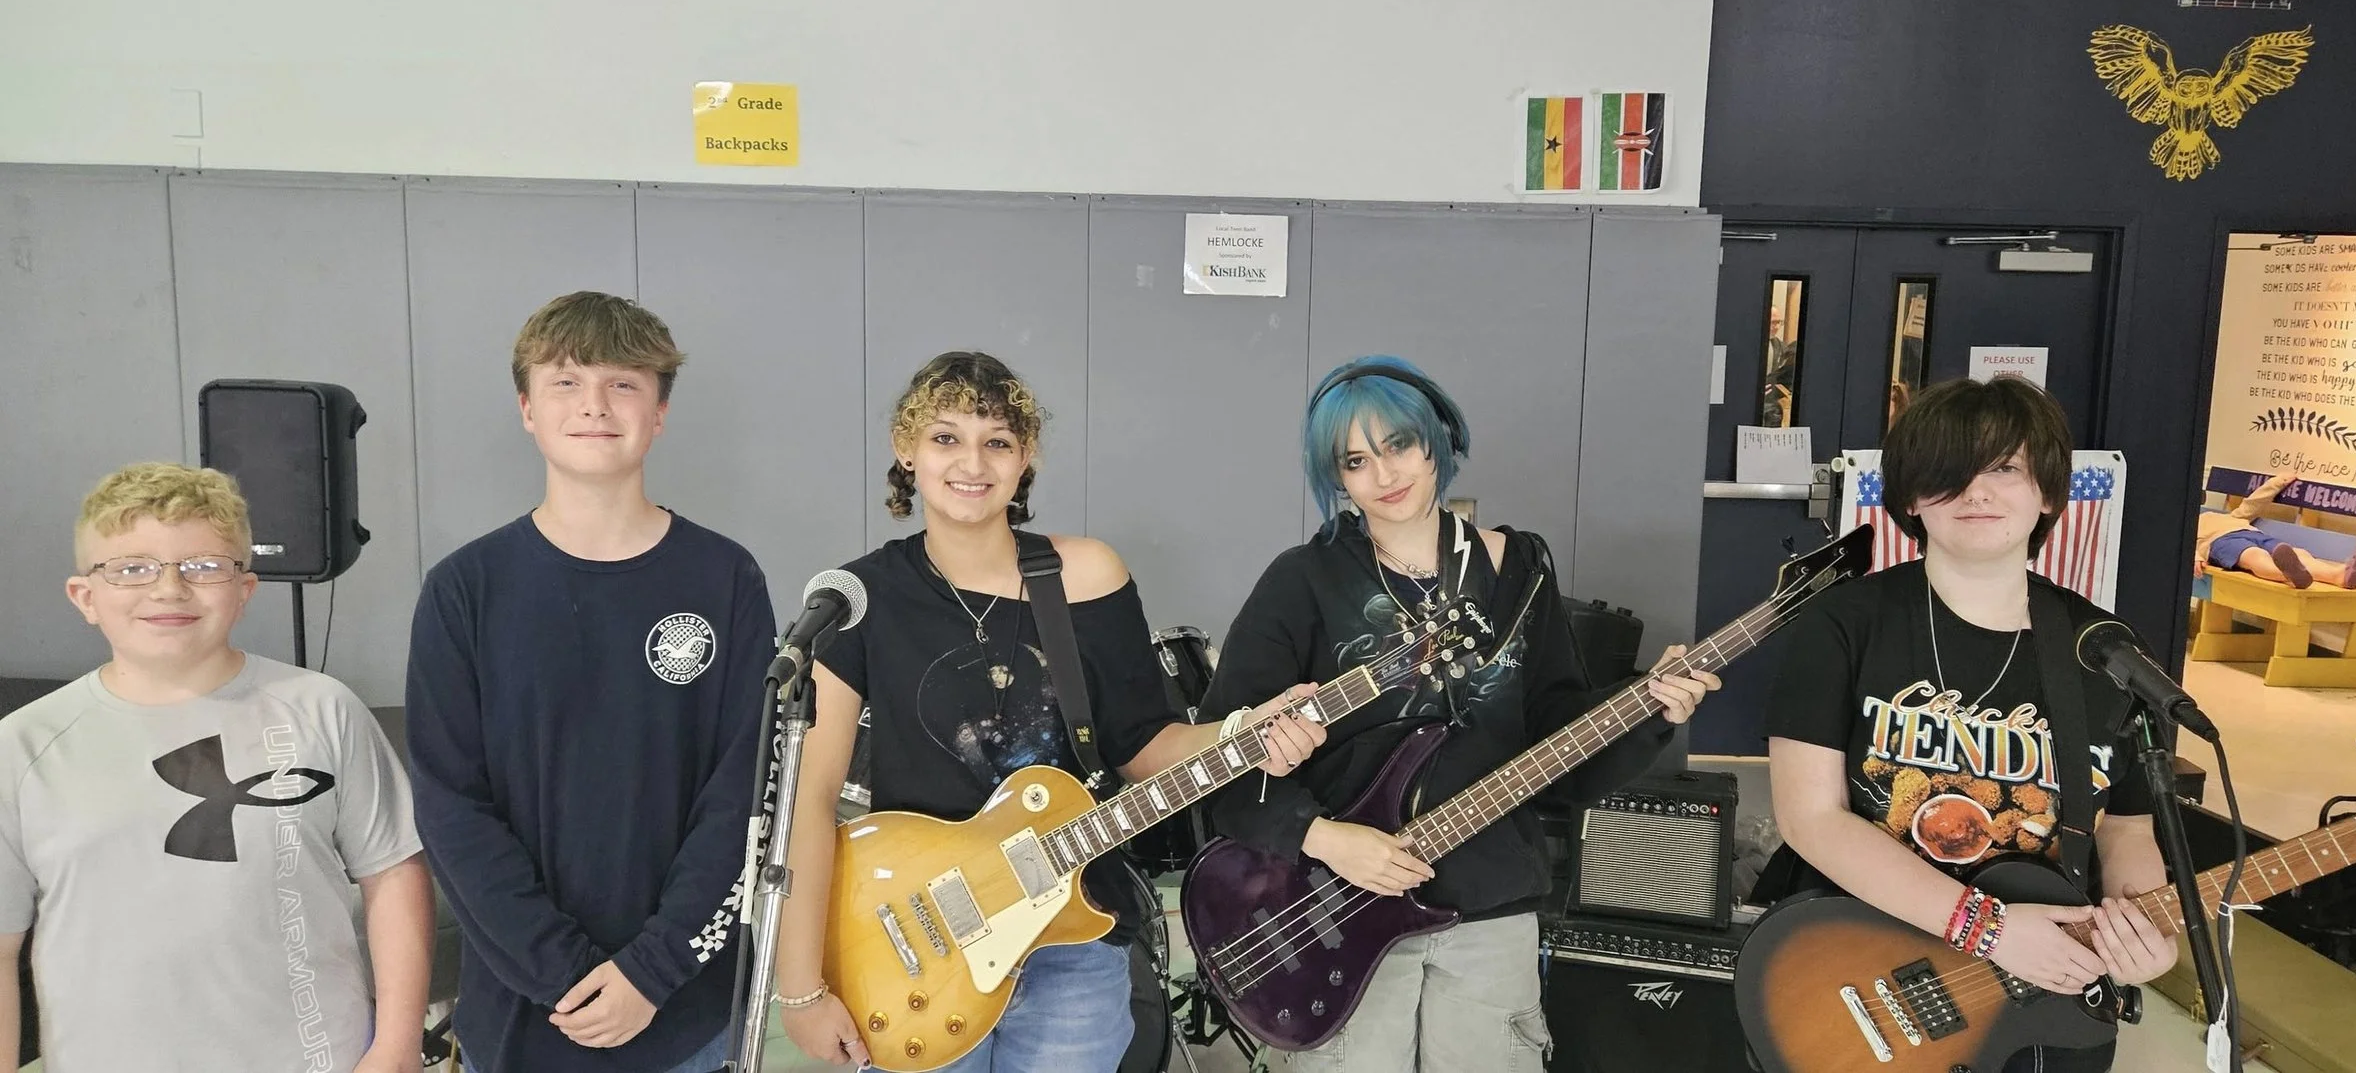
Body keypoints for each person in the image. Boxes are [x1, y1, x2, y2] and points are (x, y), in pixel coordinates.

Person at [771, 350, 1328, 1071]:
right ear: (905, 450)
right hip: (920, 951)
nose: (971, 462)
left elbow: (1141, 743)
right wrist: (801, 988)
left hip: (1074, 937)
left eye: (996, 440)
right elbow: (809, 800)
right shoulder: (860, 599)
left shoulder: (1086, 575)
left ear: (1024, 457)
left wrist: (1242, 734)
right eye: (945, 437)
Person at [1196, 355, 1722, 1073]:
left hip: (1489, 902)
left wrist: (1650, 710)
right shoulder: (1302, 580)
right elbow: (1220, 763)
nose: (1385, 474)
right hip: (1337, 912)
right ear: (1336, 477)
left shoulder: (1520, 568)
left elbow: (1556, 730)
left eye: (1400, 444)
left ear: (1437, 437)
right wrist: (1321, 837)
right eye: (1356, 459)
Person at [1760, 377, 2179, 1073]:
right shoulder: (1845, 624)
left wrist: (2144, 928)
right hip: (1865, 972)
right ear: (1912, 498)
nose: (1975, 492)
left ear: (2047, 492)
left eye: (2005, 468)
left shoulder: (2104, 648)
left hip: (2040, 996)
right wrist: (1988, 929)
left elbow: (2128, 826)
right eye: (1948, 475)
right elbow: (1811, 817)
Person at [405, 292, 771, 1072]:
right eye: (566, 383)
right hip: (524, 1012)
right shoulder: (467, 588)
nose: (595, 406)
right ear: (527, 409)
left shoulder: (725, 578)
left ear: (660, 412)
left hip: (686, 1013)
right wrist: (563, 973)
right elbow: (450, 806)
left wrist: (653, 968)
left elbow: (745, 792)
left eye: (624, 384)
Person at [0, 462, 430, 1071]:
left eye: (203, 567)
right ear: (85, 597)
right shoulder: (23, 745)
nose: (169, 589)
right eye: (131, 569)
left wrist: (395, 1046)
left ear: (244, 590)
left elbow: (393, 875)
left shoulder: (322, 710)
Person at [2194, 472, 2356, 589]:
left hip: (2251, 532)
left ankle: (2341, 574)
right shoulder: (2187, 528)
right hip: (2219, 542)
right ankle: (2290, 573)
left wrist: (2276, 482)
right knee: (2254, 556)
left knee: (2299, 554)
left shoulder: (2230, 517)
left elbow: (2251, 505)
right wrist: (2195, 556)